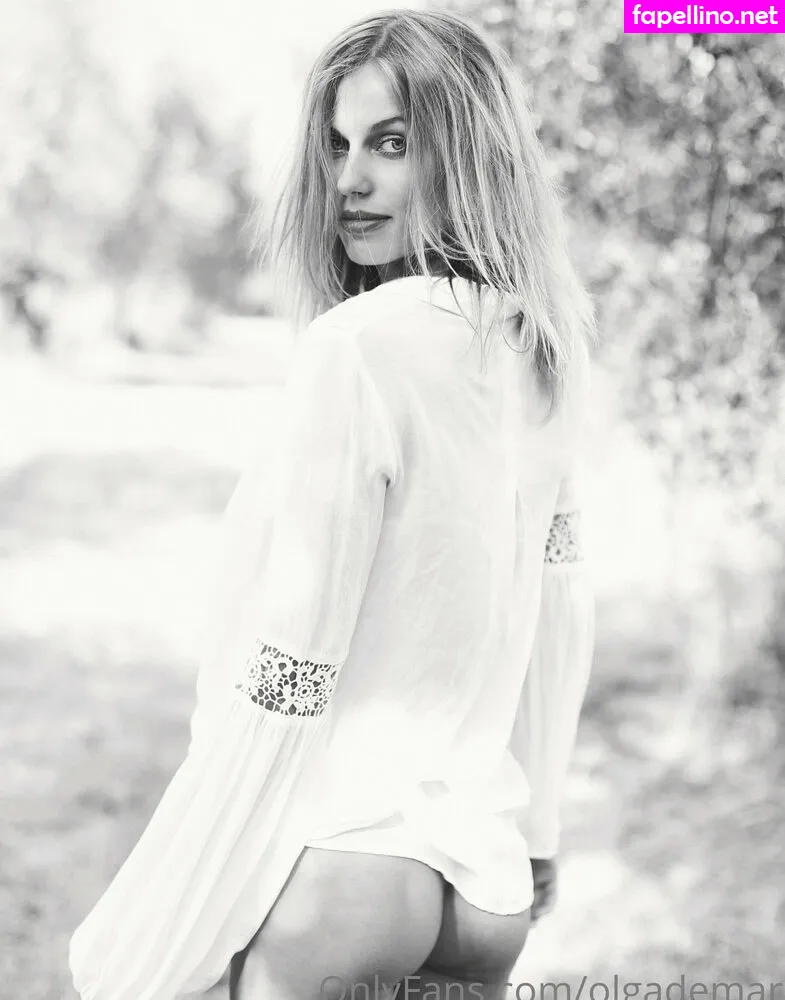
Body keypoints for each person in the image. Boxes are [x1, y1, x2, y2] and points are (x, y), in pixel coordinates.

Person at [69, 9, 598, 1000]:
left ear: (465, 153)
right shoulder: (541, 346)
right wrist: (537, 836)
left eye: (391, 144)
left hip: (351, 874)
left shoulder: (353, 350)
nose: (349, 179)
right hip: (483, 886)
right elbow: (556, 621)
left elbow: (292, 668)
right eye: (338, 144)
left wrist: (166, 915)